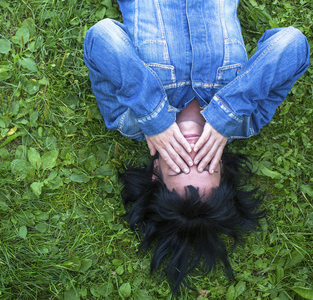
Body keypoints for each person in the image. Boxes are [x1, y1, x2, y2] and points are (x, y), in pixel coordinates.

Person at [83, 0, 309, 295]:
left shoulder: (128, 121)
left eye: (179, 165)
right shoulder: (247, 121)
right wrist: (228, 113)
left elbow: (102, 37)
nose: (191, 152)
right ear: (223, 170)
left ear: (156, 171)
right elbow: (291, 43)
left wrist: (154, 116)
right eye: (204, 164)